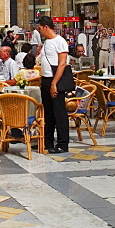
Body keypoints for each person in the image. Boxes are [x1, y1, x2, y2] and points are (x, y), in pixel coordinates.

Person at [37, 14, 73, 154]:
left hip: (55, 79)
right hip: (46, 79)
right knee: (48, 113)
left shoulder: (60, 41)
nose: (39, 31)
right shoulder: (46, 42)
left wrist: (54, 83)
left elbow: (62, 63)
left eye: (40, 28)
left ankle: (63, 143)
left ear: (46, 27)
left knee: (59, 113)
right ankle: (47, 140)